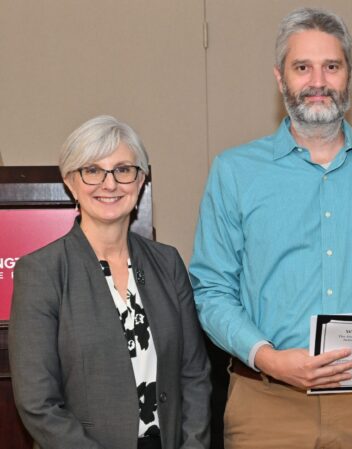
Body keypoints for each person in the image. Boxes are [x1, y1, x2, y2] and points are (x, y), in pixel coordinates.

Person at [189, 7, 352, 449]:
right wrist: (270, 359)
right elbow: (211, 289)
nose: (318, 81)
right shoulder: (234, 172)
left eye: (331, 67)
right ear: (281, 79)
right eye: (303, 67)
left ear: (348, 76)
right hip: (266, 405)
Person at [9, 115, 211, 449]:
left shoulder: (167, 262)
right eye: (92, 170)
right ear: (70, 182)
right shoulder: (42, 271)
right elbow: (38, 403)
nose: (110, 184)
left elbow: (195, 375)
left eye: (123, 169)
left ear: (141, 179)